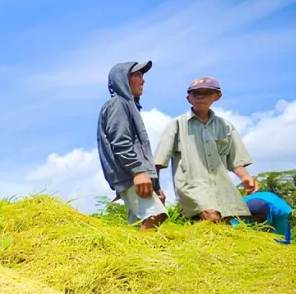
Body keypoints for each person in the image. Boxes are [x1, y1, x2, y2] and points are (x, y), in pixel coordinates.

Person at [153, 76, 259, 223]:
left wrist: (246, 177)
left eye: (206, 93)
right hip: (193, 186)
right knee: (211, 216)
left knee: (225, 224)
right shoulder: (177, 125)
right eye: (195, 93)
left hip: (222, 187)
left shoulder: (225, 126)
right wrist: (155, 188)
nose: (200, 97)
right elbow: (158, 160)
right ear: (188, 98)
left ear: (217, 96)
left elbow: (235, 160)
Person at [97, 60, 168, 230]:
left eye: (141, 75)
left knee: (136, 226)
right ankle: (138, 255)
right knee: (156, 215)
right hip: (130, 175)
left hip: (136, 175)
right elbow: (120, 142)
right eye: (136, 75)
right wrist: (138, 171)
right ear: (121, 79)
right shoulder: (118, 104)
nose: (142, 80)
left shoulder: (129, 107)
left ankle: (132, 252)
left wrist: (155, 184)